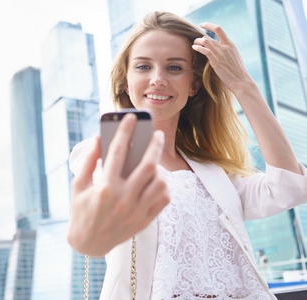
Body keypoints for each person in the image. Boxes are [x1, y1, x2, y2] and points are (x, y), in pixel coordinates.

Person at [67, 11, 307, 300]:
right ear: (125, 82)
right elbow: (96, 231)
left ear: (194, 86)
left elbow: (289, 188)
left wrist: (244, 85)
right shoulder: (105, 156)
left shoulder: (212, 172)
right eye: (143, 67)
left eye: (174, 68)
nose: (157, 79)